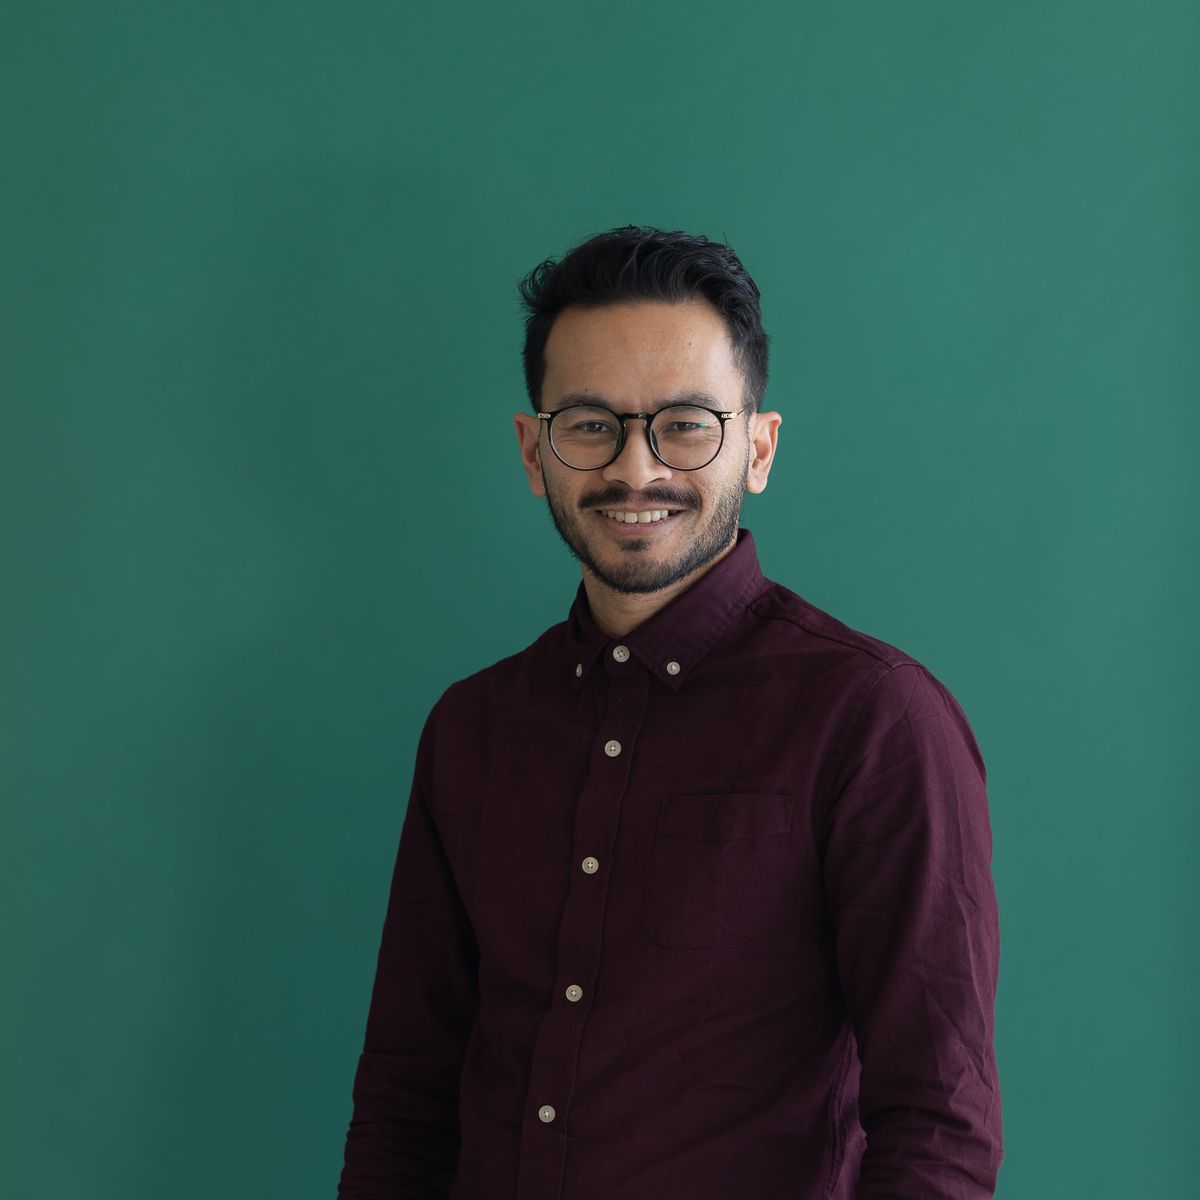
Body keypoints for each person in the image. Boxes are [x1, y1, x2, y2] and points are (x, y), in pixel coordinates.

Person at [335, 226, 1003, 1199]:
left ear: (758, 447)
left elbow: (939, 1126)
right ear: (534, 451)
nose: (635, 469)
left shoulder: (873, 721)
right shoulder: (472, 730)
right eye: (589, 424)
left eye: (686, 424)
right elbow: (407, 1103)